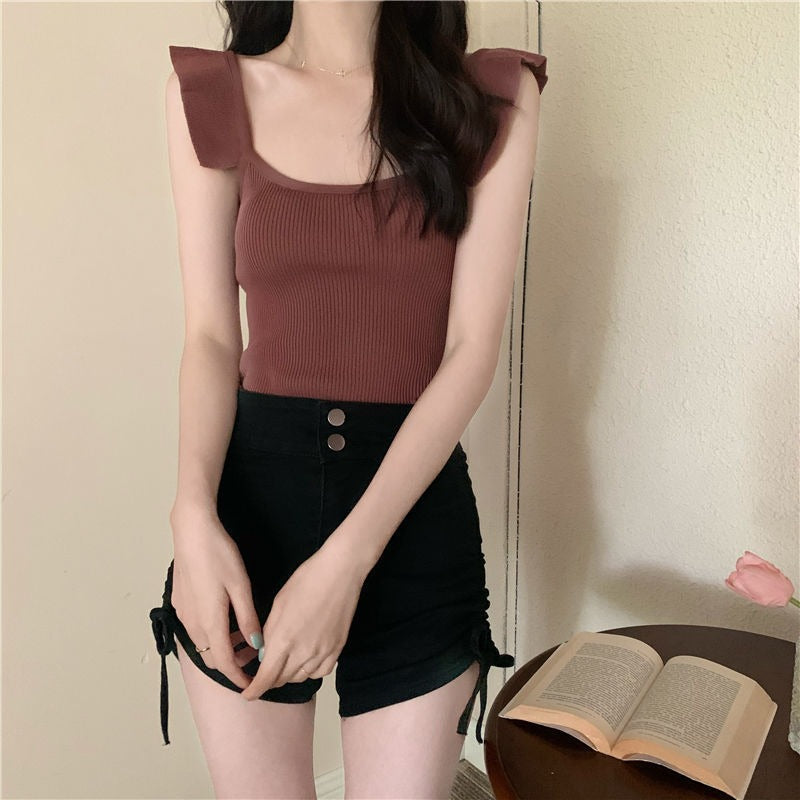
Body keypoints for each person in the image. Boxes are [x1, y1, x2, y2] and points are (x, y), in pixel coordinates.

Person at [148, 1, 547, 796]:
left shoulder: (490, 96)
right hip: (247, 522)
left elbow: (472, 350)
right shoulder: (213, 91)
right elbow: (211, 339)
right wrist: (190, 514)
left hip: (410, 525)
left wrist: (346, 563)